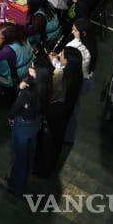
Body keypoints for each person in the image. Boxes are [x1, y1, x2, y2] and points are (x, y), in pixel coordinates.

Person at [0, 56, 49, 196]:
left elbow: (16, 107)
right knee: (29, 153)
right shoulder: (46, 85)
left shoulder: (28, 92)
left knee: (20, 157)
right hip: (36, 123)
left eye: (32, 68)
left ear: (37, 72)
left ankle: (15, 185)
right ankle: (24, 177)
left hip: (23, 125)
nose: (30, 69)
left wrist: (10, 115)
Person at [35, 46, 84, 178]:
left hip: (53, 115)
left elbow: (50, 94)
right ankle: (49, 167)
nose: (59, 56)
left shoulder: (61, 76)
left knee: (47, 144)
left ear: (67, 61)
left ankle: (41, 170)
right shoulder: (76, 75)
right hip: (64, 116)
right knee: (55, 142)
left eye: (61, 55)